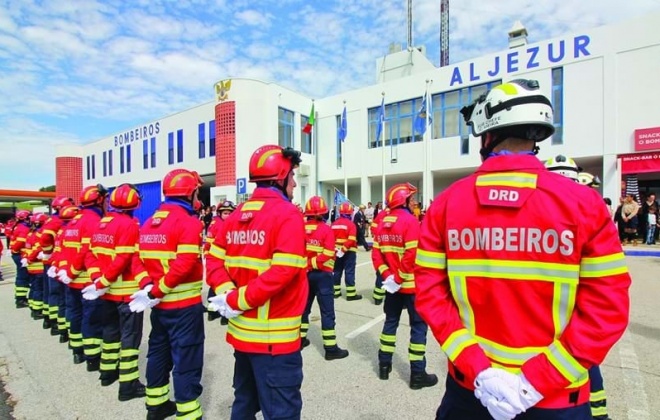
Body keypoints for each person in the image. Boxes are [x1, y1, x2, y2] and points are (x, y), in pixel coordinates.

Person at [415, 79, 631, 420]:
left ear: (487, 136)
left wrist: (479, 369)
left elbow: (430, 296)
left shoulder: (445, 205)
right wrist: (533, 382)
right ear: (535, 138)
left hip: (472, 389)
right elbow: (608, 310)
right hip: (556, 396)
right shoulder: (584, 203)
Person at [205, 145, 308, 420]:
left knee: (244, 405)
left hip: (242, 338)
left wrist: (228, 294)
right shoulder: (287, 215)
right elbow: (283, 272)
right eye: (293, 177)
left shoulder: (236, 215)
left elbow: (213, 261)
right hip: (275, 341)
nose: (295, 184)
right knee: (282, 412)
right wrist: (236, 299)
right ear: (281, 176)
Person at [130, 169, 205, 420]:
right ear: (190, 192)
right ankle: (188, 413)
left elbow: (136, 259)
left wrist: (148, 289)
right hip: (183, 306)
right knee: (186, 359)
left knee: (158, 353)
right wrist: (158, 289)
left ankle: (157, 406)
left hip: (158, 306)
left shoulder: (149, 221)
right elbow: (183, 264)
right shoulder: (189, 222)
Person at [546, 157, 614, 420]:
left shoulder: (538, 214)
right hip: (574, 317)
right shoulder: (588, 212)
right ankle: (598, 413)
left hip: (550, 319)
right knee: (585, 364)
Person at [82, 183, 147, 401]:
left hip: (106, 293)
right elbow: (123, 259)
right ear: (135, 203)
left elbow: (90, 254)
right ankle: (128, 384)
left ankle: (107, 372)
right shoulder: (129, 225)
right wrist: (103, 281)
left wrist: (97, 280)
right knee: (130, 338)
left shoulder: (103, 223)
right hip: (126, 293)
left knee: (110, 333)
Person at [372, 183, 437, 389]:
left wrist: (387, 275)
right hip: (412, 287)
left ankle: (384, 366)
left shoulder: (382, 223)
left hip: (393, 287)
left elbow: (376, 254)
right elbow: (412, 254)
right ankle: (417, 375)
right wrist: (399, 277)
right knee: (418, 328)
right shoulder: (410, 221)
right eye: (411, 199)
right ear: (404, 201)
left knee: (390, 323)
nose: (414, 202)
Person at [58, 185, 109, 369]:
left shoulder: (73, 221)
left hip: (71, 280)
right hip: (88, 279)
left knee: (75, 313)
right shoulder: (94, 221)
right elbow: (87, 251)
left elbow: (63, 249)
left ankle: (77, 351)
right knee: (92, 318)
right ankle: (93, 357)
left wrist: (65, 271)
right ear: (99, 200)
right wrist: (73, 271)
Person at [300, 195, 349, 360]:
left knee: (303, 309)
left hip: (304, 275)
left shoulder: (300, 227)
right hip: (322, 275)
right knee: (327, 312)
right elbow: (329, 254)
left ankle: (299, 340)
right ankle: (330, 348)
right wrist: (314, 262)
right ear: (324, 213)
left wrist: (306, 263)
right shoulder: (326, 229)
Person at [38, 196, 75, 334]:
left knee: (51, 292)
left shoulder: (51, 220)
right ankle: (57, 325)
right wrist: (48, 252)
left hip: (53, 261)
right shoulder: (59, 221)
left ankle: (50, 321)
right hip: (57, 261)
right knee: (60, 294)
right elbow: (45, 238)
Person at [47, 204, 81, 342]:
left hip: (63, 272)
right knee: (77, 310)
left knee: (66, 305)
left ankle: (63, 332)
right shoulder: (73, 230)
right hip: (74, 276)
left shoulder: (63, 231)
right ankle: (70, 337)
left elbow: (59, 252)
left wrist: (55, 265)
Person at [204, 200, 236, 323]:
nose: (228, 216)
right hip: (219, 260)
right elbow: (209, 243)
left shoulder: (222, 223)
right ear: (220, 214)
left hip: (223, 260)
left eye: (230, 213)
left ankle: (216, 313)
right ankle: (219, 314)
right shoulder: (218, 225)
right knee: (221, 287)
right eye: (225, 213)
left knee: (217, 287)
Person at [331, 202, 362, 300]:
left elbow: (330, 239)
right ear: (350, 213)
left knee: (336, 271)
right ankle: (351, 294)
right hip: (349, 251)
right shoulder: (351, 224)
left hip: (336, 251)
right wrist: (344, 250)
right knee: (349, 272)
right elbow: (351, 239)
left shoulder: (334, 224)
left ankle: (336, 292)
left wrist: (337, 250)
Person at [10, 210, 31, 308]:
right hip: (20, 254)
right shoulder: (24, 228)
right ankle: (21, 299)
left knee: (20, 276)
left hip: (17, 254)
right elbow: (20, 242)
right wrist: (16, 251)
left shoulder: (18, 226)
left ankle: (19, 297)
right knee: (23, 277)